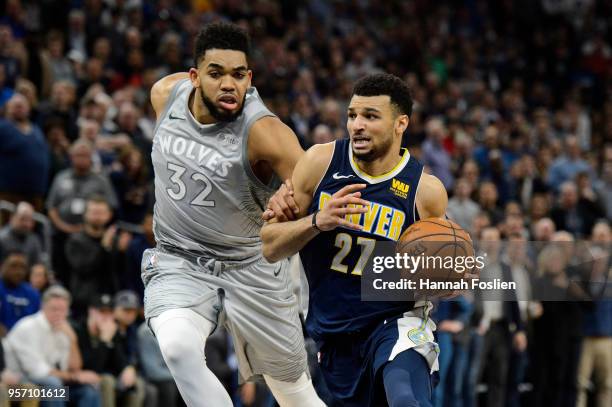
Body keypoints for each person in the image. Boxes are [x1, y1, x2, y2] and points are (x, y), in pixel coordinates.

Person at [142, 22, 323, 407]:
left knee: (296, 395)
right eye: (216, 73)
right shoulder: (163, 95)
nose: (229, 84)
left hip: (250, 267)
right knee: (176, 348)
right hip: (179, 259)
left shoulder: (266, 132)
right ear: (194, 77)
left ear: (250, 78)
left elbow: (312, 194)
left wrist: (288, 204)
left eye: (239, 75)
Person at [262, 73, 448, 406]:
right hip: (334, 335)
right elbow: (270, 246)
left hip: (396, 324)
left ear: (400, 123)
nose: (357, 125)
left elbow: (443, 275)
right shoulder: (320, 162)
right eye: (352, 115)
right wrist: (317, 221)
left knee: (405, 399)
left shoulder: (426, 190)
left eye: (370, 116)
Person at [4, 286, 102, 407]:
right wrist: (75, 377)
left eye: (63, 310)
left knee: (89, 391)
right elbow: (38, 372)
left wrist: (73, 340)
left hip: (50, 388)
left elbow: (74, 368)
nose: (59, 314)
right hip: (14, 389)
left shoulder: (64, 329)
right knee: (53, 385)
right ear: (43, 307)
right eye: (54, 309)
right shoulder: (28, 327)